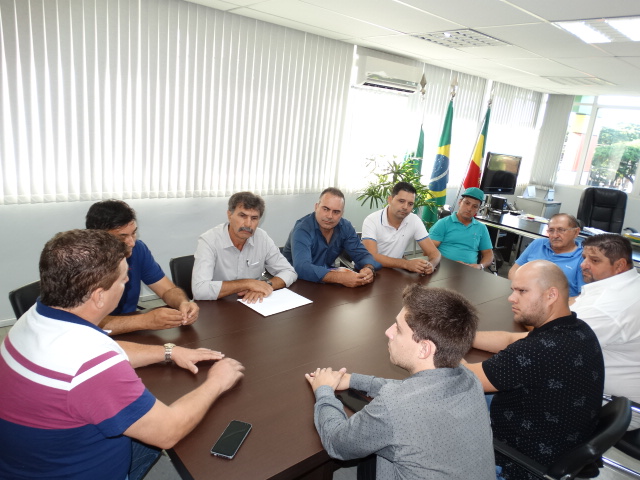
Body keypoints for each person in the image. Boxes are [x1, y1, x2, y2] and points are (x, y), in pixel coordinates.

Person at [0, 229, 244, 480]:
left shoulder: (35, 317)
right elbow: (167, 431)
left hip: (34, 460)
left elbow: (107, 352)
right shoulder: (89, 362)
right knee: (199, 435)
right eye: (123, 279)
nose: (127, 283)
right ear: (99, 296)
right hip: (73, 471)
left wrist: (169, 351)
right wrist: (217, 381)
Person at [305, 285, 495, 480]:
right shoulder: (469, 377)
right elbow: (414, 392)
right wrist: (354, 380)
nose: (388, 332)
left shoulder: (394, 406)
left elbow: (337, 444)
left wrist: (324, 390)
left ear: (424, 349)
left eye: (398, 328)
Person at [465, 260, 604, 479]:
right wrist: (461, 337)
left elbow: (463, 378)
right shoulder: (576, 329)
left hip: (517, 461)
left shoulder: (538, 351)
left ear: (551, 295)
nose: (511, 298)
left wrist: (435, 340)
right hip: (553, 436)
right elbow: (510, 339)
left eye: (522, 291)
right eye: (513, 290)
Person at [86, 199, 199, 335]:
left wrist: (182, 303)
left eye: (133, 233)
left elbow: (167, 290)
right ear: (98, 236)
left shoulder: (138, 250)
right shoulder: (79, 260)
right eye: (122, 237)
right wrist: (145, 320)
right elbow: (85, 323)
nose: (131, 242)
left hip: (130, 331)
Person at [573, 233, 640, 429]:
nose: (583, 265)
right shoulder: (630, 284)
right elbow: (575, 306)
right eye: (583, 257)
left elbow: (549, 343)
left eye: (594, 260)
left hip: (617, 405)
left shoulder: (609, 307)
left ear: (619, 265)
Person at [192, 191, 297, 302]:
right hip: (216, 306)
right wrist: (248, 283)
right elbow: (200, 290)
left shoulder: (262, 238)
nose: (248, 224)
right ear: (229, 215)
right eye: (242, 216)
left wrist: (265, 285)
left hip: (251, 303)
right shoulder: (209, 240)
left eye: (254, 218)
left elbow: (289, 272)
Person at [283, 187, 381, 287]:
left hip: (325, 284)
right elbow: (302, 267)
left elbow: (362, 254)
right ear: (316, 207)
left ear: (342, 213)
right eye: (325, 209)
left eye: (336, 212)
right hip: (296, 284)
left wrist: (368, 268)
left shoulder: (345, 227)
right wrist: (340, 278)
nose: (330, 216)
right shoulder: (302, 229)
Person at [361, 181, 441, 274]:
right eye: (401, 201)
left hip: (395, 272)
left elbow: (435, 253)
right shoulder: (372, 220)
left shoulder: (414, 220)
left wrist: (431, 265)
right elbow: (372, 257)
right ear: (390, 199)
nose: (405, 207)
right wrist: (406, 264)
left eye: (410, 204)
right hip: (370, 271)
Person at [509, 213, 584, 297]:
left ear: (576, 232)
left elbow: (584, 295)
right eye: (551, 230)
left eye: (561, 230)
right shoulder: (538, 244)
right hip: (525, 298)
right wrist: (520, 291)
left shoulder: (583, 257)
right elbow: (514, 270)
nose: (555, 235)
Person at [428, 187, 493, 270]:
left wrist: (480, 266)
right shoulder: (443, 223)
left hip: (470, 271)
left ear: (478, 209)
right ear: (460, 202)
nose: (469, 208)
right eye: (467, 203)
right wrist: (450, 264)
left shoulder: (481, 228)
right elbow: (429, 250)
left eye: (474, 206)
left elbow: (488, 254)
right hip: (444, 268)